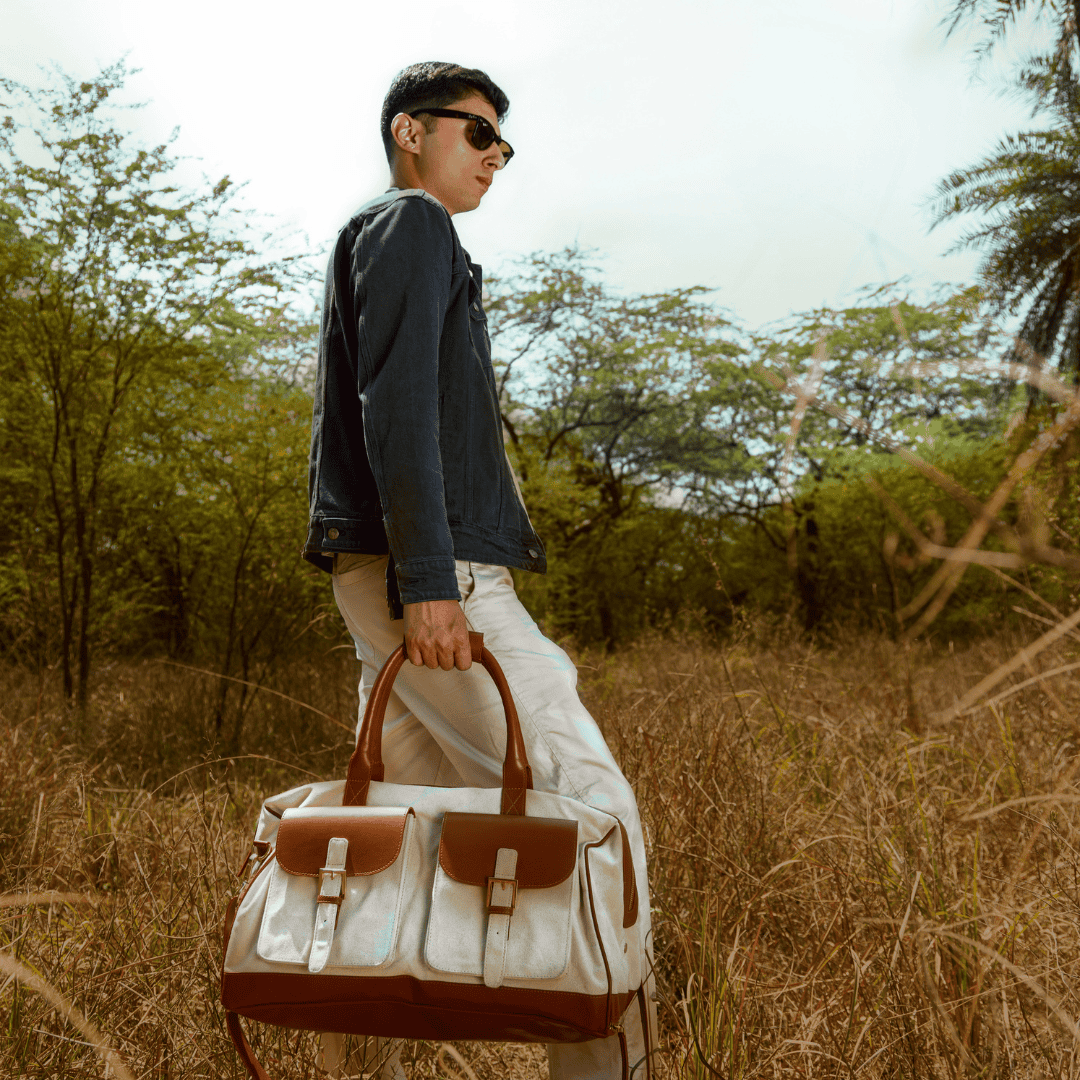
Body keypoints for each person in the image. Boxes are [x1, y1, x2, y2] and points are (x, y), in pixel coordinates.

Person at [303, 61, 657, 1080]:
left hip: (378, 570)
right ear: (413, 133)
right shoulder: (412, 226)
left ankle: (378, 1049)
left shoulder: (383, 239)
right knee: (594, 813)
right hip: (432, 571)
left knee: (405, 838)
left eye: (506, 142)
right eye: (478, 133)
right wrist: (431, 580)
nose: (497, 154)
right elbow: (396, 407)